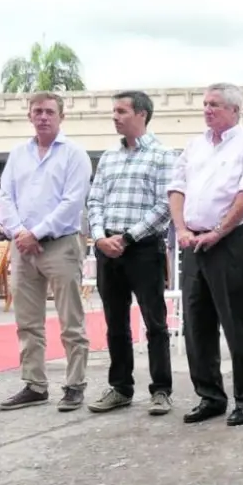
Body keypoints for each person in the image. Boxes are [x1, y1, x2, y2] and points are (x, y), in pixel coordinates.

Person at [169, 83, 243, 427]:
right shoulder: (195, 145)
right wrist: (181, 229)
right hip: (193, 241)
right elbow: (177, 187)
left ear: (234, 109)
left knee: (238, 321)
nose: (207, 110)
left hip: (233, 241)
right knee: (196, 322)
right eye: (205, 104)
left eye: (215, 104)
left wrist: (218, 231)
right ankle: (210, 396)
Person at [0, 93, 94, 411]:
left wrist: (35, 233)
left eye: (50, 111)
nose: (43, 117)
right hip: (22, 248)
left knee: (70, 320)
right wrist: (20, 233)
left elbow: (72, 202)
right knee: (27, 321)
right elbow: (5, 197)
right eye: (37, 111)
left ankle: (75, 384)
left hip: (60, 245)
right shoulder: (18, 154)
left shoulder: (74, 154)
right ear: (29, 116)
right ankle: (34, 384)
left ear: (61, 116)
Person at [86, 91, 179, 417]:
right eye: (114, 111)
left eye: (121, 111)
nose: (115, 117)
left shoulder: (162, 156)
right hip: (107, 250)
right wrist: (100, 237)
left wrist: (127, 238)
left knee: (155, 322)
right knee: (115, 323)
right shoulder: (108, 157)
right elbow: (94, 200)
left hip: (143, 249)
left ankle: (161, 389)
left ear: (141, 114)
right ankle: (121, 388)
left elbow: (165, 205)